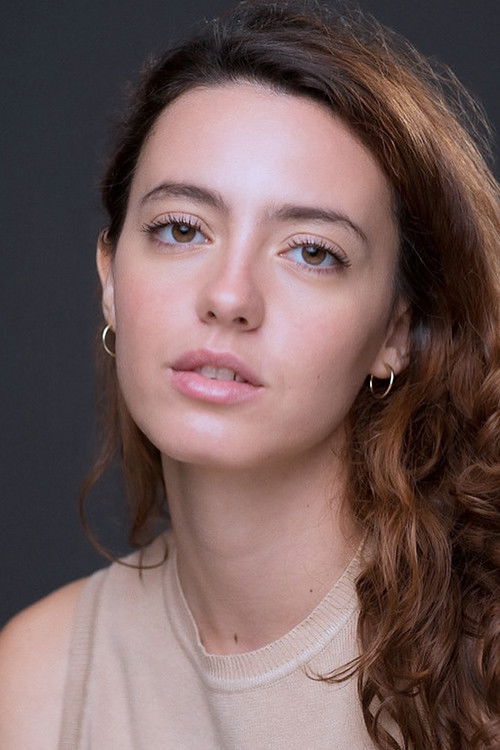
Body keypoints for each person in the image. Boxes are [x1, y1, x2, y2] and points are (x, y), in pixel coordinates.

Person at [0, 1, 498, 748]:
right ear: (110, 277)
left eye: (312, 251)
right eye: (181, 229)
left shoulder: (484, 658)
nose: (229, 297)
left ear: (395, 333)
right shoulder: (39, 678)